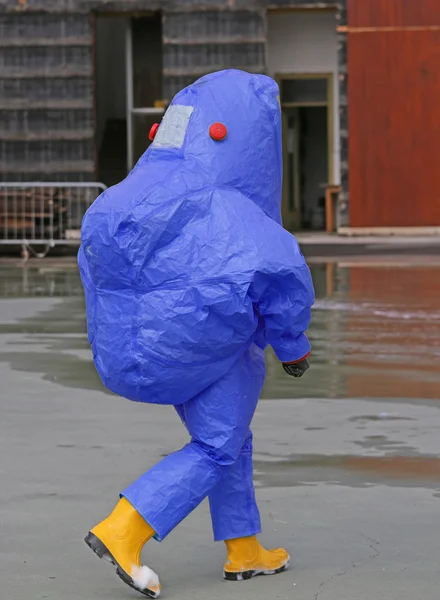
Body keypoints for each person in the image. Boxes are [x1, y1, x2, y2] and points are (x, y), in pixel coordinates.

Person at [78, 69, 314, 598]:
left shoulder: (122, 195)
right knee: (215, 447)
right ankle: (124, 529)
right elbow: (282, 276)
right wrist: (293, 347)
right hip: (215, 350)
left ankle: (244, 547)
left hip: (138, 351)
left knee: (231, 437)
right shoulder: (230, 204)